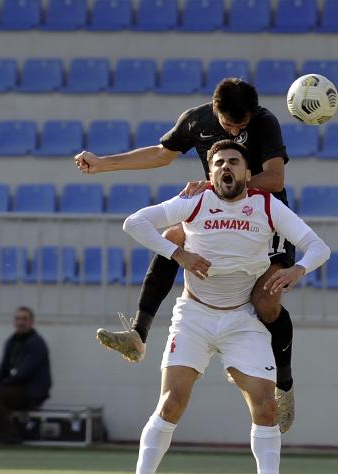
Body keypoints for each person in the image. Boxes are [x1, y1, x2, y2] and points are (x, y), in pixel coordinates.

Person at [112, 141, 330, 474]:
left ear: (248, 173)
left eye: (233, 162)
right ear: (209, 173)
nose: (226, 167)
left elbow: (319, 246)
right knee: (171, 403)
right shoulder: (194, 202)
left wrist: (297, 270)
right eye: (218, 163)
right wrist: (178, 255)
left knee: (265, 409)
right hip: (193, 316)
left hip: (242, 320)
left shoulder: (266, 206)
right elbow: (134, 223)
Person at [75, 78, 301, 433]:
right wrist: (103, 163)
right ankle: (138, 333)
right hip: (219, 213)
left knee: (264, 302)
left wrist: (215, 185)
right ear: (216, 112)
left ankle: (284, 385)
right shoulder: (196, 121)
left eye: (243, 126)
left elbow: (274, 179)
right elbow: (161, 154)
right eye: (230, 126)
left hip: (265, 219)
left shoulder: (266, 121)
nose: (237, 131)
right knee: (172, 240)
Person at [0, 306, 51, 443]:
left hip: (31, 391)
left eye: (24, 319)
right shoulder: (11, 341)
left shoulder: (37, 343)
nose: (20, 322)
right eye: (17, 319)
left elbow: (24, 373)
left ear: (31, 322)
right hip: (13, 387)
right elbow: (3, 368)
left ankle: (10, 435)